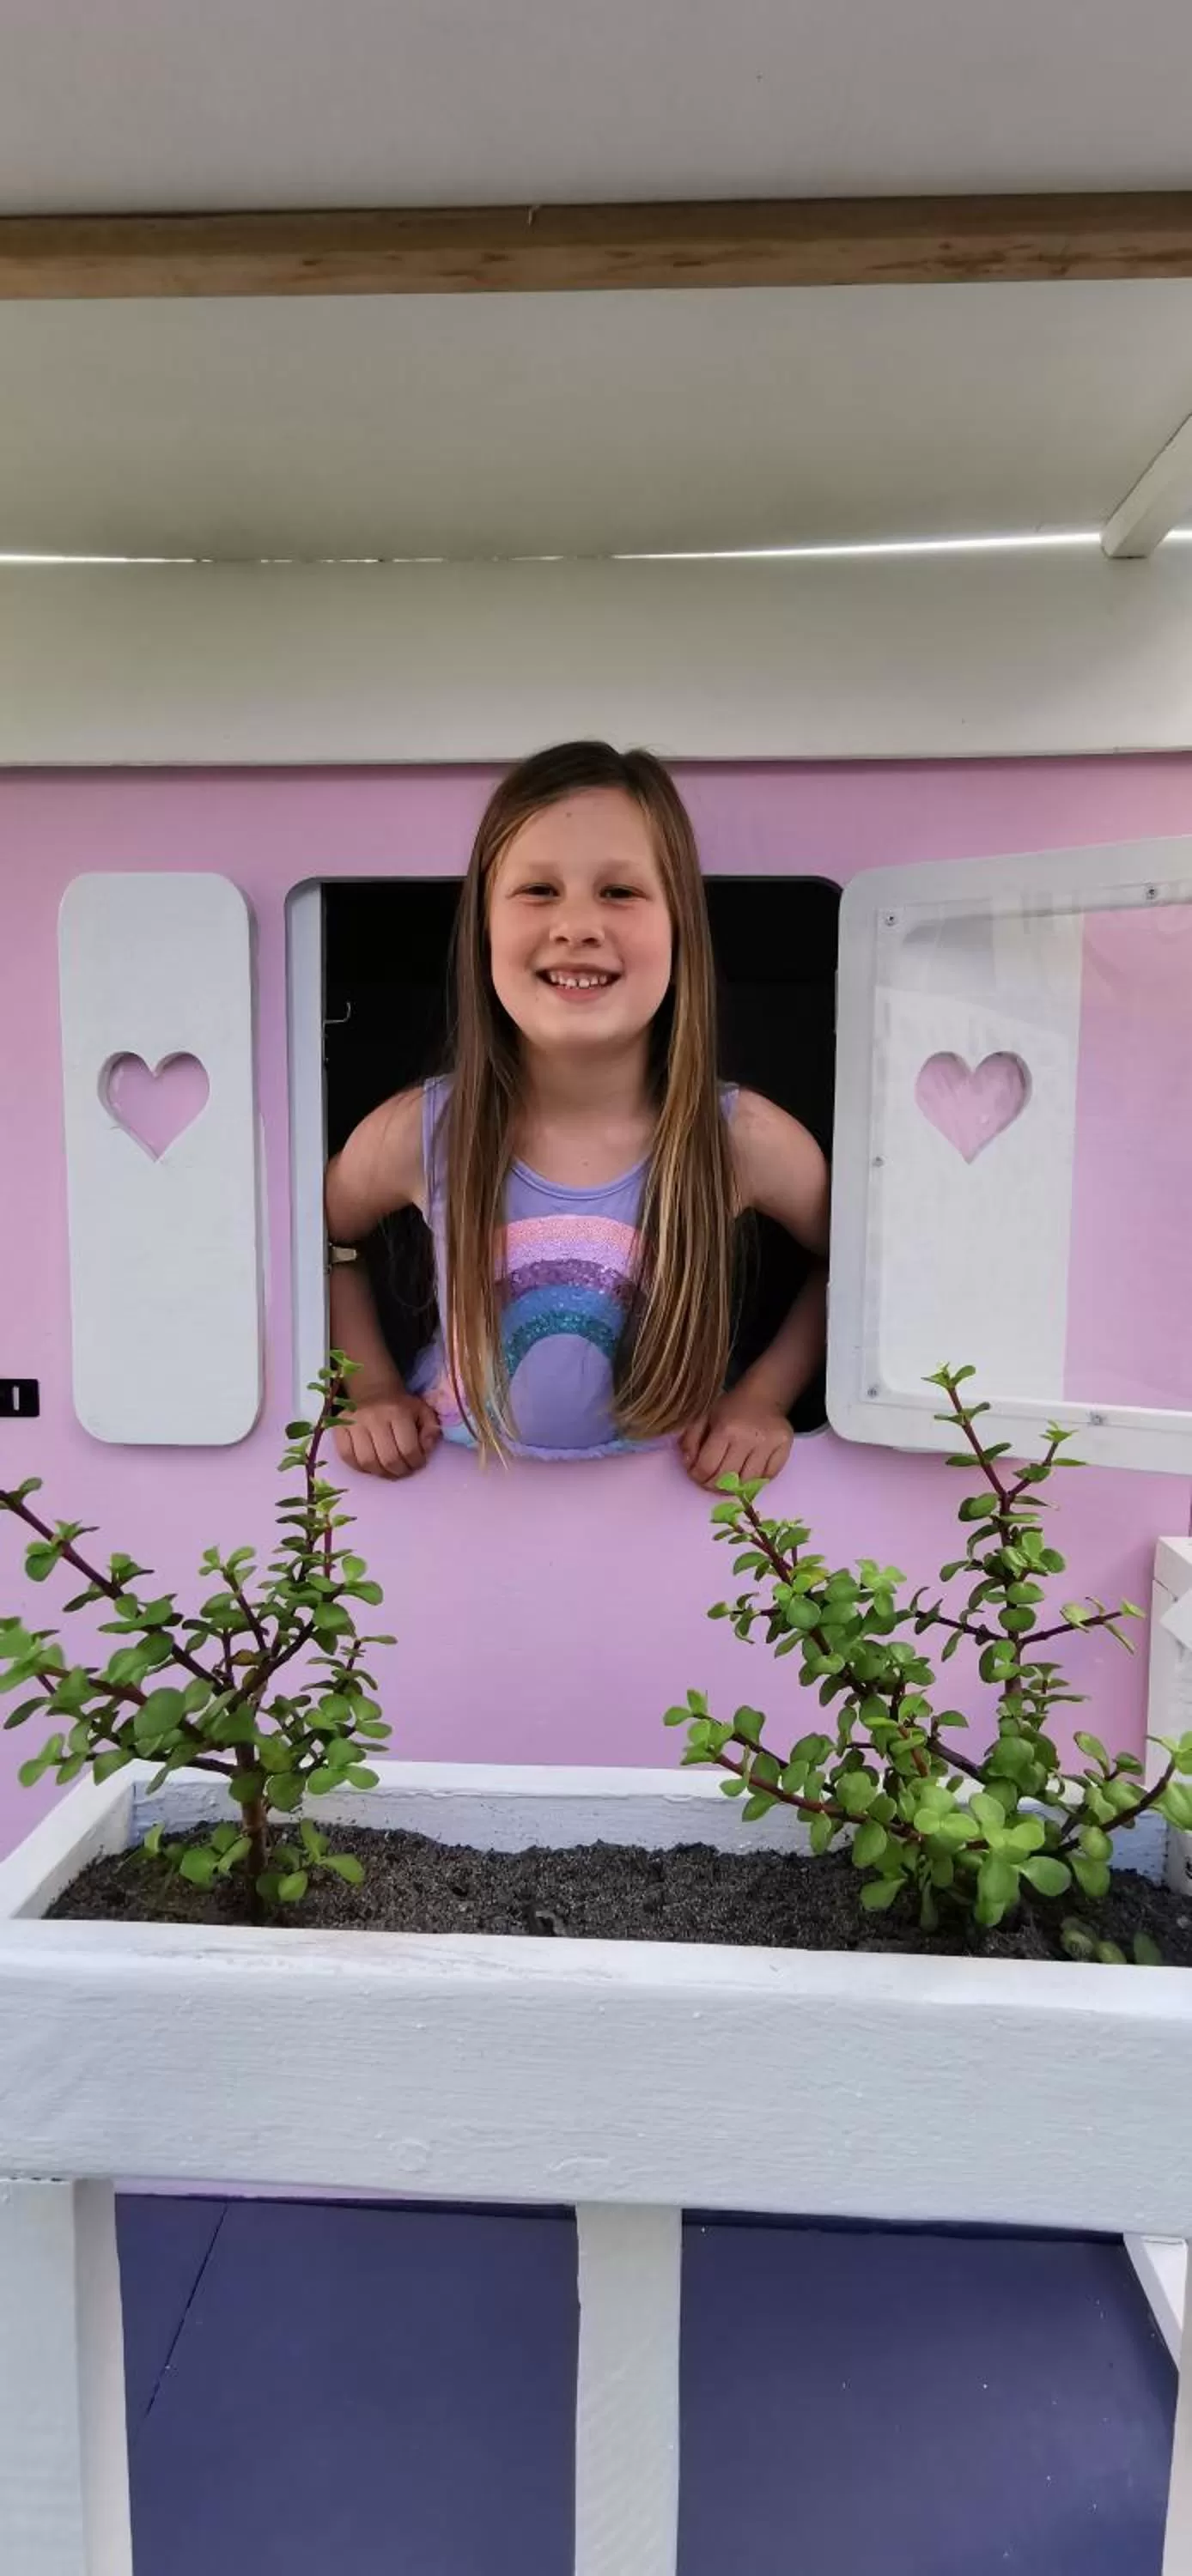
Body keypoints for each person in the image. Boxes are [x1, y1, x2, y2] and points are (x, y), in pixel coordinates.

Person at [324, 740, 829, 1485]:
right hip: (454, 1510)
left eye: (620, 893)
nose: (577, 925)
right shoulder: (424, 1129)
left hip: (671, 1514)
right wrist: (369, 1390)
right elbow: (320, 1244)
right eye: (537, 891)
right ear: (484, 929)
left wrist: (764, 1397)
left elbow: (861, 1266)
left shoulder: (742, 1138)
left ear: (680, 924)